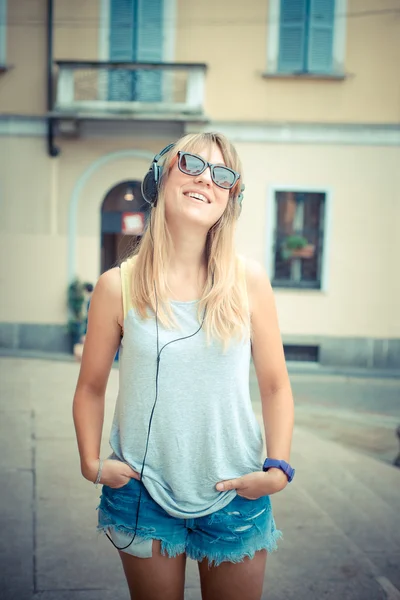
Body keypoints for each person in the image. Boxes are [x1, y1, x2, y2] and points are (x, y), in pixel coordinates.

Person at [72, 132, 295, 600]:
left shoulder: (248, 281)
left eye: (222, 174)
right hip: (141, 495)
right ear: (161, 176)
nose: (205, 180)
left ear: (230, 200)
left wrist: (278, 468)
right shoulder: (118, 286)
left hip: (237, 494)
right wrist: (92, 464)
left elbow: (275, 385)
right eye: (191, 164)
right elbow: (91, 386)